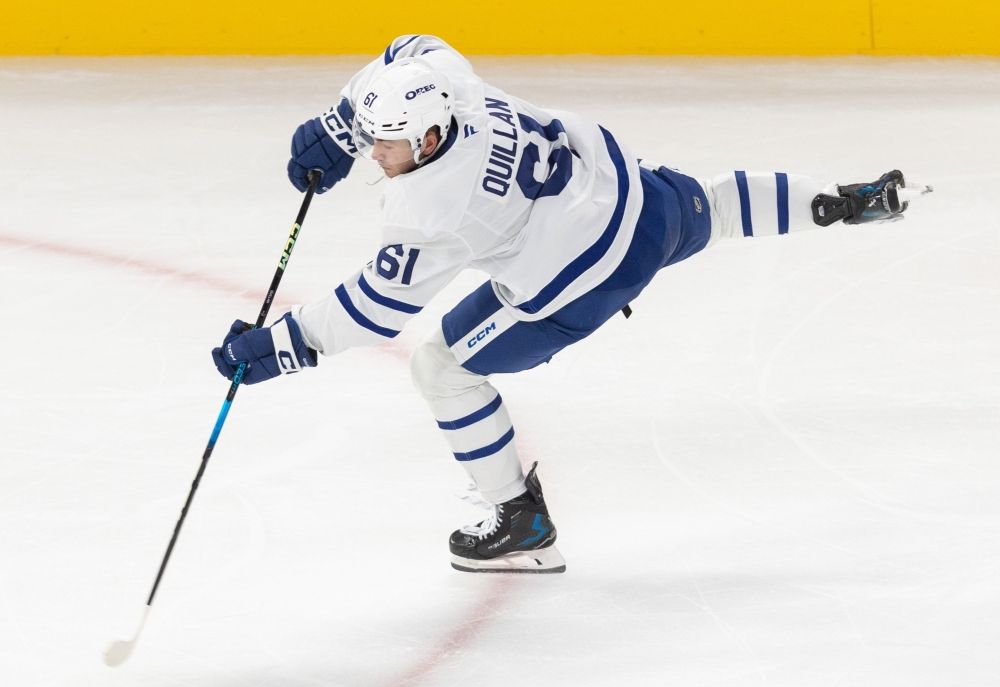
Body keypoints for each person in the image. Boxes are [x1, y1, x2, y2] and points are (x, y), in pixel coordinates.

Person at [212, 34, 929, 574]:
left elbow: (374, 309)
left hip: (584, 277)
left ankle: (520, 523)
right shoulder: (448, 86)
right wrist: (345, 124)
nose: (376, 155)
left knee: (441, 368)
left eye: (387, 144)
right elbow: (412, 45)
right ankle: (844, 203)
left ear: (428, 138)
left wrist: (278, 347)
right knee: (710, 203)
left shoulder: (432, 207)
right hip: (637, 203)